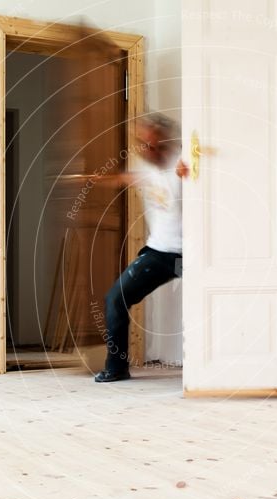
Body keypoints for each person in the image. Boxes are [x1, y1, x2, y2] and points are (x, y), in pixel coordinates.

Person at [92, 113, 188, 382]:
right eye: (145, 144)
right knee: (115, 299)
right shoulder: (144, 167)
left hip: (193, 253)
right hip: (160, 253)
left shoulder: (184, 163)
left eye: (156, 145)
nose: (151, 150)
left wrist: (189, 175)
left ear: (167, 142)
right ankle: (117, 368)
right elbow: (124, 178)